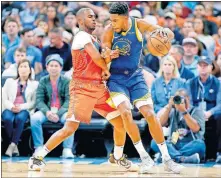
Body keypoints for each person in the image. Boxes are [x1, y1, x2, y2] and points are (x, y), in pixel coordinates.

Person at [28, 8, 139, 172]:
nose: (94, 19)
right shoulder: (81, 36)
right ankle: (37, 158)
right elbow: (97, 59)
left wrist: (111, 55)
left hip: (99, 88)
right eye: (90, 17)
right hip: (82, 89)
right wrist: (106, 64)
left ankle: (117, 156)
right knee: (69, 129)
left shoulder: (93, 39)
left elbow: (100, 60)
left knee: (120, 122)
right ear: (80, 21)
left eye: (95, 17)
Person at [102, 2, 184, 174]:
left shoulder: (138, 24)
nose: (112, 23)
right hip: (116, 79)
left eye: (115, 20)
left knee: (150, 114)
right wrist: (108, 54)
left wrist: (164, 33)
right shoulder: (109, 30)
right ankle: (144, 158)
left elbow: (165, 32)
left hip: (135, 76)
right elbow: (104, 51)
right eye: (111, 20)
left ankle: (167, 159)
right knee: (125, 112)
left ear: (126, 18)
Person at [30, 54, 75, 159]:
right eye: (51, 65)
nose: (53, 68)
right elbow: (39, 100)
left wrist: (58, 114)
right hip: (47, 111)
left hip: (62, 111)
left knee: (71, 119)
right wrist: (47, 112)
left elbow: (69, 100)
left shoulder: (67, 81)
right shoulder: (43, 80)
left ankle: (67, 149)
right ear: (47, 67)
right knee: (35, 118)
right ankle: (38, 147)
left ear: (61, 67)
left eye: (56, 66)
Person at [151, 88, 206, 164]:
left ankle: (169, 157)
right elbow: (161, 124)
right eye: (177, 98)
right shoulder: (173, 111)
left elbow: (195, 129)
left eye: (182, 98)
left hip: (190, 145)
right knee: (155, 141)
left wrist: (184, 111)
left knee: (200, 144)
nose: (180, 101)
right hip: (174, 145)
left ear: (188, 99)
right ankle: (182, 159)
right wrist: (169, 106)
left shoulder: (197, 111)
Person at [187, 56, 221, 162]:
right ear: (197, 67)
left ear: (211, 67)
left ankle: (216, 153)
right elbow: (189, 103)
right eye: (200, 65)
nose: (203, 68)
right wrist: (198, 114)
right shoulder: (190, 82)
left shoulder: (218, 83)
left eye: (205, 65)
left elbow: (220, 104)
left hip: (212, 115)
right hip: (195, 115)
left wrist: (210, 112)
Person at [2, 59, 38, 157]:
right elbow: (4, 98)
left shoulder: (35, 84)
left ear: (30, 70)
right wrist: (12, 106)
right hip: (10, 107)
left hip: (24, 109)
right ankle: (15, 145)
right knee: (8, 119)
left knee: (19, 118)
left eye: (25, 66)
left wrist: (21, 107)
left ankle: (12, 145)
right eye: (21, 67)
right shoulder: (9, 81)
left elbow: (33, 102)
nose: (23, 69)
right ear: (18, 70)